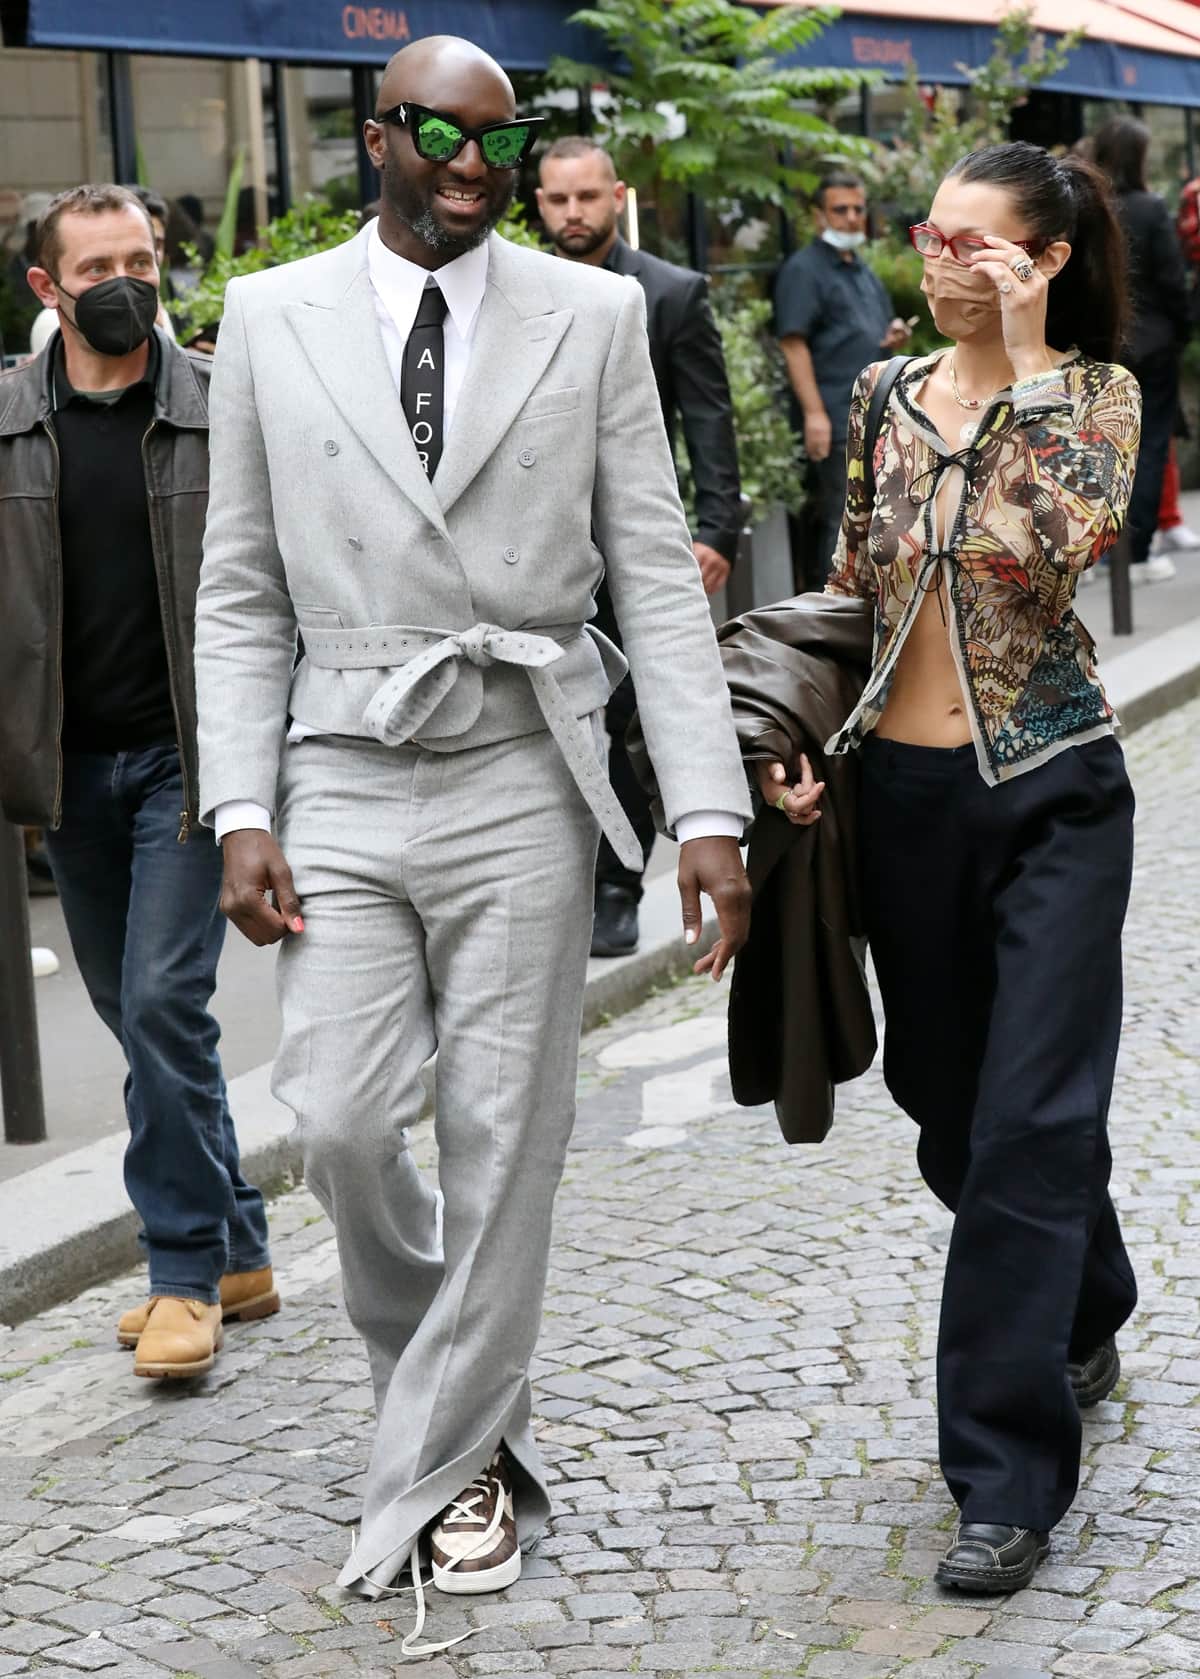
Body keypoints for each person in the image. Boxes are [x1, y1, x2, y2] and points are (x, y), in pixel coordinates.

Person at [193, 34, 751, 1650]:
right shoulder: (271, 318)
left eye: (501, 147)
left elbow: (650, 561)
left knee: (507, 1135)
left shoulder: (591, 315)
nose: (473, 168)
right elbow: (239, 590)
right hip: (347, 757)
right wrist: (243, 804)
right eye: (439, 136)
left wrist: (703, 803)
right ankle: (454, 1389)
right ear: (377, 134)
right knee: (348, 1120)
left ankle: (449, 1461)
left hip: (525, 752)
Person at [752, 141, 1140, 1593]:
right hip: (903, 798)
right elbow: (857, 585)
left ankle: (1005, 1473)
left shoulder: (1093, 393)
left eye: (982, 244)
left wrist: (1030, 351)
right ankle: (1090, 1288)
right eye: (935, 234)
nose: (945, 259)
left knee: (1034, 1121)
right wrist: (801, 741)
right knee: (944, 1106)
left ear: (1041, 261)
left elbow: (1054, 553)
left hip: (1054, 792)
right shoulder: (880, 395)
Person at [0, 184, 278, 1380]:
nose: (127, 281)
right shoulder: (8, 421)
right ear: (45, 287)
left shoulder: (222, 408)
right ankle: (244, 1245)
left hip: (191, 762)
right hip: (70, 773)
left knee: (165, 1005)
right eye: (98, 264)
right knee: (135, 1015)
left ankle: (179, 1274)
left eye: (144, 259)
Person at [536, 135, 743, 956]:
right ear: (540, 202)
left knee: (626, 715)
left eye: (586, 197)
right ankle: (569, 877)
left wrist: (717, 529)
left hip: (634, 546)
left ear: (615, 195)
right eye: (557, 199)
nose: (573, 212)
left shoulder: (672, 293)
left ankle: (619, 884)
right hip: (545, 547)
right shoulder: (520, 291)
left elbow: (709, 420)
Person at [774, 172, 912, 586]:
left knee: (867, 519)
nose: (852, 218)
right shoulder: (804, 269)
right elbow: (793, 344)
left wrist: (892, 336)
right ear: (819, 216)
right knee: (838, 523)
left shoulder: (860, 269)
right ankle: (825, 620)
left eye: (858, 209)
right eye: (840, 209)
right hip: (835, 416)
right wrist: (815, 414)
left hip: (872, 417)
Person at [1093, 116, 1189, 583]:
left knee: (1103, 445)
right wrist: (1183, 328)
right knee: (1149, 443)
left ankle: (1101, 552)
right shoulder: (1150, 208)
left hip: (1103, 340)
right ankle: (1136, 555)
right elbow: (1172, 279)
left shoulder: (1088, 206)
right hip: (1152, 342)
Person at [28, 185, 176, 356]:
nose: (124, 285)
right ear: (46, 287)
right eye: (97, 269)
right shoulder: (49, 324)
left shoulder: (206, 381)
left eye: (139, 264)